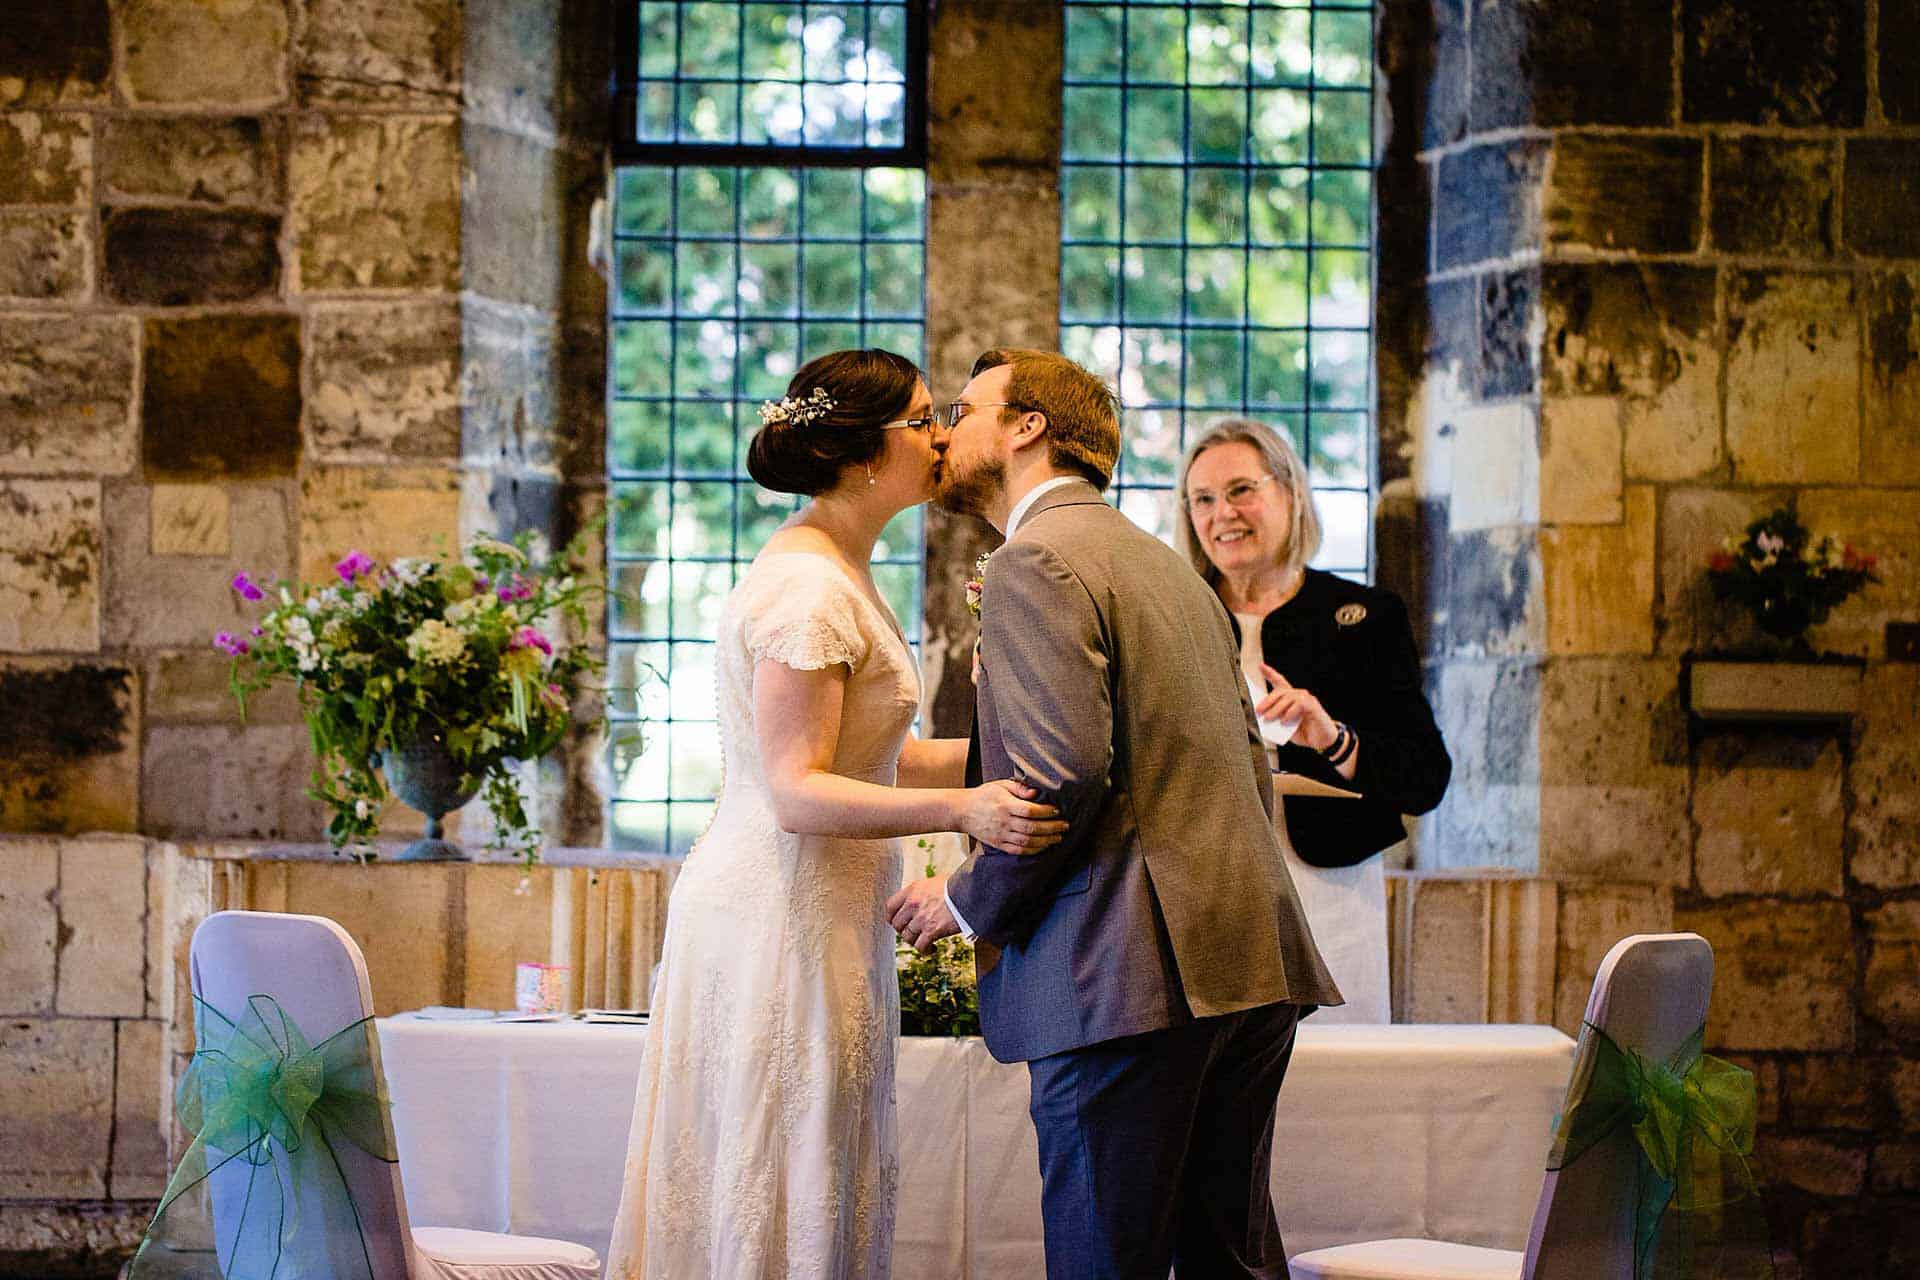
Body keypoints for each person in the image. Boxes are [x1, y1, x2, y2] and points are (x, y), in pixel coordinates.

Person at [603, 349, 1067, 1280]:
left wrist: (1024, 752)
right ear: (862, 454)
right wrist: (968, 809)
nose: (942, 438)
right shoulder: (809, 589)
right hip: (779, 914)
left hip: (827, 913)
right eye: (923, 420)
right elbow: (797, 791)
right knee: (780, 1152)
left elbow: (879, 756)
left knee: (819, 1152)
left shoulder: (840, 565)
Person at [886, 349, 1342, 1280]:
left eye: (965, 411)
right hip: (1244, 965)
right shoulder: (1170, 569)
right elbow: (1227, 764)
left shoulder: (1033, 562)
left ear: (1028, 427)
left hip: (1125, 979)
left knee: (1105, 1262)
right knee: (1229, 1264)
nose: (946, 434)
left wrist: (965, 899)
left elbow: (1060, 777)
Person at [1175, 418, 1451, 1024]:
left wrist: (1332, 738)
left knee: (1337, 1068)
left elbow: (1425, 777)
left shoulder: (1365, 617)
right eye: (1203, 499)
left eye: (1241, 490)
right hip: (1204, 891)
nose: (1223, 514)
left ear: (1291, 493)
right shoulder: (1172, 617)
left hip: (1332, 890)